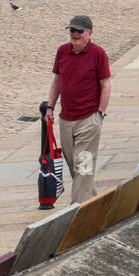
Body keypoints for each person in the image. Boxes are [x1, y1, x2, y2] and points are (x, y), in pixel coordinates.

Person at [45, 15, 111, 204]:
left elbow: (105, 84)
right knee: (77, 166)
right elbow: (57, 80)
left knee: (84, 167)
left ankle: (77, 209)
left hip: (88, 119)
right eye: (72, 30)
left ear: (89, 33)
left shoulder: (98, 53)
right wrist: (50, 106)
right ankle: (95, 202)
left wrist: (101, 112)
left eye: (79, 31)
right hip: (66, 119)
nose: (75, 34)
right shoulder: (62, 51)